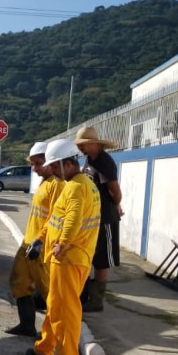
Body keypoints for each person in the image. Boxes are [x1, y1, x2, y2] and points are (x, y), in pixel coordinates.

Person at [25, 138, 100, 355]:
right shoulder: (80, 184)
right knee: (56, 306)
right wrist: (41, 238)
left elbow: (72, 220)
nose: (53, 172)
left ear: (69, 163)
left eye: (56, 166)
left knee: (65, 312)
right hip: (69, 257)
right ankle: (45, 348)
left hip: (68, 258)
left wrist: (61, 244)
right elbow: (57, 217)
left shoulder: (77, 187)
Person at [5, 141, 64, 338]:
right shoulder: (44, 183)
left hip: (42, 247)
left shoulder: (57, 185)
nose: (34, 168)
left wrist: (41, 242)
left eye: (38, 163)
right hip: (28, 244)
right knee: (19, 282)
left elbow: (56, 219)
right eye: (33, 164)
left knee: (49, 293)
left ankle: (57, 336)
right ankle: (27, 325)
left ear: (50, 162)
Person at [74, 126, 122, 312]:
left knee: (102, 259)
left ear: (95, 144)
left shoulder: (104, 162)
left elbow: (115, 190)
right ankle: (85, 296)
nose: (81, 148)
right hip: (92, 217)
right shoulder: (89, 160)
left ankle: (96, 301)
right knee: (89, 255)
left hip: (105, 218)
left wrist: (115, 205)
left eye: (84, 145)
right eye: (79, 145)